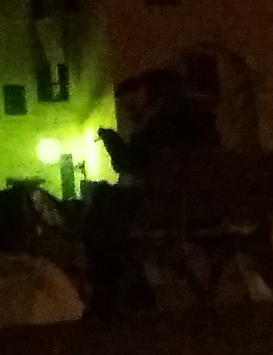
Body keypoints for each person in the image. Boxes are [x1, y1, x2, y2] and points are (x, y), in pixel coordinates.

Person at [82, 68, 221, 320]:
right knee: (107, 215)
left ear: (155, 93)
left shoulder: (160, 124)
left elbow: (130, 164)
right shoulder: (204, 122)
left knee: (99, 211)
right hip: (205, 209)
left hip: (163, 211)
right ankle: (131, 291)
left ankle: (117, 293)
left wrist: (112, 140)